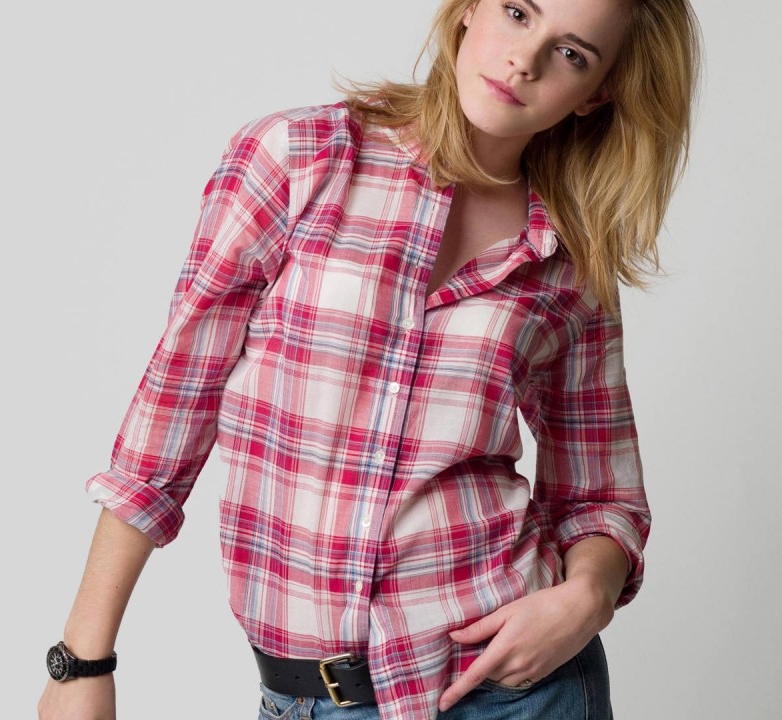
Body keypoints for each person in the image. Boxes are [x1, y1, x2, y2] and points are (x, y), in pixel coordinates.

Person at [38, 0, 701, 717]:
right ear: (471, 9)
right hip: (314, 696)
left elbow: (602, 496)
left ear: (596, 93)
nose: (524, 60)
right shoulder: (300, 157)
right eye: (517, 12)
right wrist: (82, 661)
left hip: (518, 692)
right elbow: (174, 407)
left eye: (572, 54)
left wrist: (587, 597)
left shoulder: (568, 257)